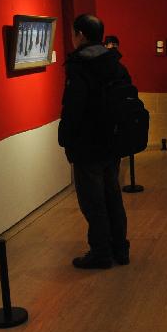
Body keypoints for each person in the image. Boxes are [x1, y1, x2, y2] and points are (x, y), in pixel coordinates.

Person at [59, 14, 131, 269]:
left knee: (93, 201)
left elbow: (73, 109)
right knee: (112, 196)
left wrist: (65, 139)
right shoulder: (116, 64)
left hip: (88, 145)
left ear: (80, 34)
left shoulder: (80, 67)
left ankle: (101, 253)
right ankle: (120, 249)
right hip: (112, 142)